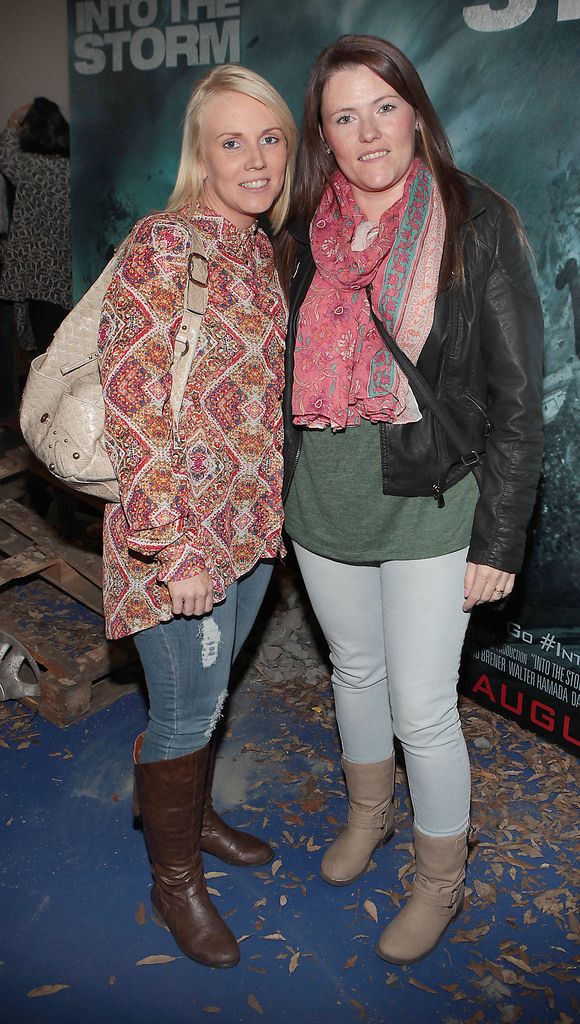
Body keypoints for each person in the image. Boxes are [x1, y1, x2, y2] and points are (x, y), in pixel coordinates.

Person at [279, 35, 543, 965]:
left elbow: (518, 400)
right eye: (343, 116)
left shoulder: (474, 219)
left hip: (431, 498)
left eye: (383, 107)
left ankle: (442, 878)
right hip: (323, 499)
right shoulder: (304, 227)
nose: (367, 132)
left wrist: (499, 538)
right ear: (324, 135)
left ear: (416, 111)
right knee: (355, 672)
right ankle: (368, 814)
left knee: (424, 705)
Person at [97, 65, 296, 968]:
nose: (255, 159)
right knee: (180, 715)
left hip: (249, 529)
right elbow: (131, 405)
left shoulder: (259, 246)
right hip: (176, 542)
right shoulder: (162, 244)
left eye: (270, 138)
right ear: (200, 152)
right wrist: (171, 548)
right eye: (232, 141)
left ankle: (199, 818)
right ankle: (172, 881)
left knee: (208, 702)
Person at [0, 98, 71, 352]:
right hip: (69, 274)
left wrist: (14, 117)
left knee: (43, 351)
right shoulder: (74, 168)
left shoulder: (28, 166)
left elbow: (6, 149)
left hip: (37, 277)